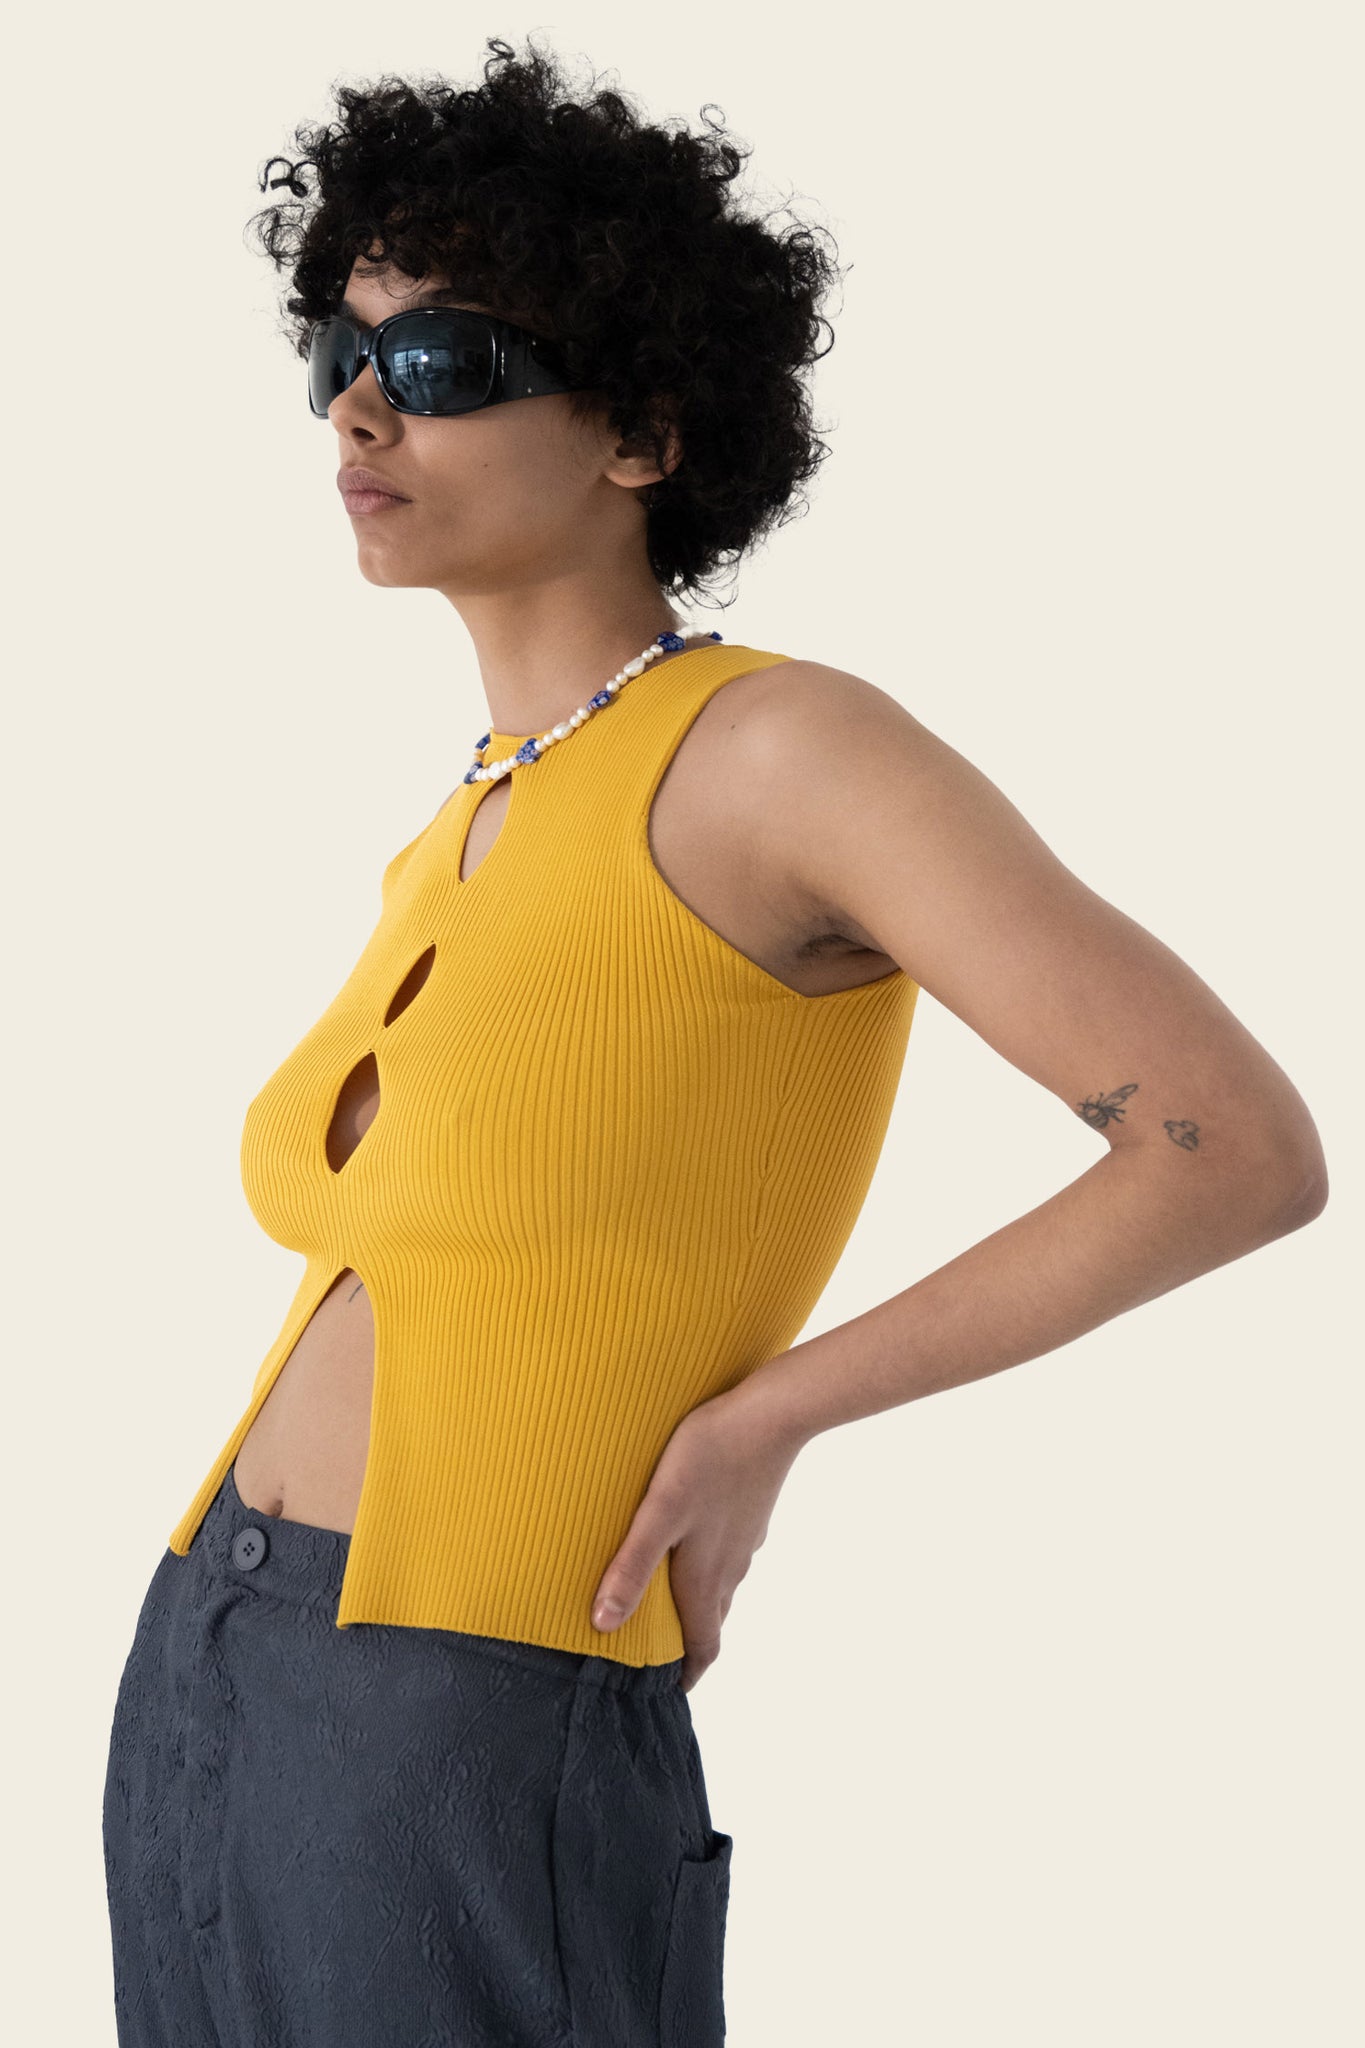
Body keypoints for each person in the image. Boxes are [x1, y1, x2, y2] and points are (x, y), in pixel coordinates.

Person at [101, 33, 1329, 2048]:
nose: (359, 405)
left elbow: (1226, 1146)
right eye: (340, 349)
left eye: (442, 360)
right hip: (219, 1652)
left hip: (476, 1701)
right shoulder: (464, 822)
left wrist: (767, 1418)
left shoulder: (776, 751)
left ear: (643, 431)